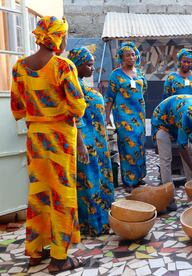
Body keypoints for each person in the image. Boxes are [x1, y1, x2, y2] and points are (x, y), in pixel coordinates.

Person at [10, 16, 86, 273]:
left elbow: (18, 108)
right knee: (61, 195)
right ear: (57, 37)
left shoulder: (19, 67)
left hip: (36, 138)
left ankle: (35, 251)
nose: (65, 40)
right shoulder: (63, 67)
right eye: (64, 35)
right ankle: (59, 258)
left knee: (39, 193)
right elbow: (78, 107)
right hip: (60, 139)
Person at [68, 47, 114, 236]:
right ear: (77, 65)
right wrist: (81, 145)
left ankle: (106, 219)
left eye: (93, 64)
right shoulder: (73, 89)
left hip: (97, 142)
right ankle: (93, 225)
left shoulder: (83, 87)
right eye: (88, 64)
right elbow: (75, 117)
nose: (92, 68)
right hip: (85, 144)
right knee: (89, 182)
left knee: (98, 180)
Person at [151, 94, 192, 210]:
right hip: (163, 121)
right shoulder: (189, 114)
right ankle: (169, 198)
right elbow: (182, 147)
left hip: (177, 119)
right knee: (166, 159)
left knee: (190, 154)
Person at [105, 41, 146, 193]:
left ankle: (139, 176)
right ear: (121, 57)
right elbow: (109, 97)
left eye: (133, 54)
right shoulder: (116, 75)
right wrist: (107, 116)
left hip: (139, 114)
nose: (131, 57)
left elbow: (144, 89)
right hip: (123, 116)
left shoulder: (139, 73)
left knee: (140, 144)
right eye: (127, 55)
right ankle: (129, 180)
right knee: (128, 145)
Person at [163, 48, 192, 171]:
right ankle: (188, 175)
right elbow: (165, 100)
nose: (186, 64)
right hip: (178, 121)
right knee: (182, 148)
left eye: (189, 62)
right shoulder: (171, 78)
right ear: (179, 61)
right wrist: (168, 124)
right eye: (184, 61)